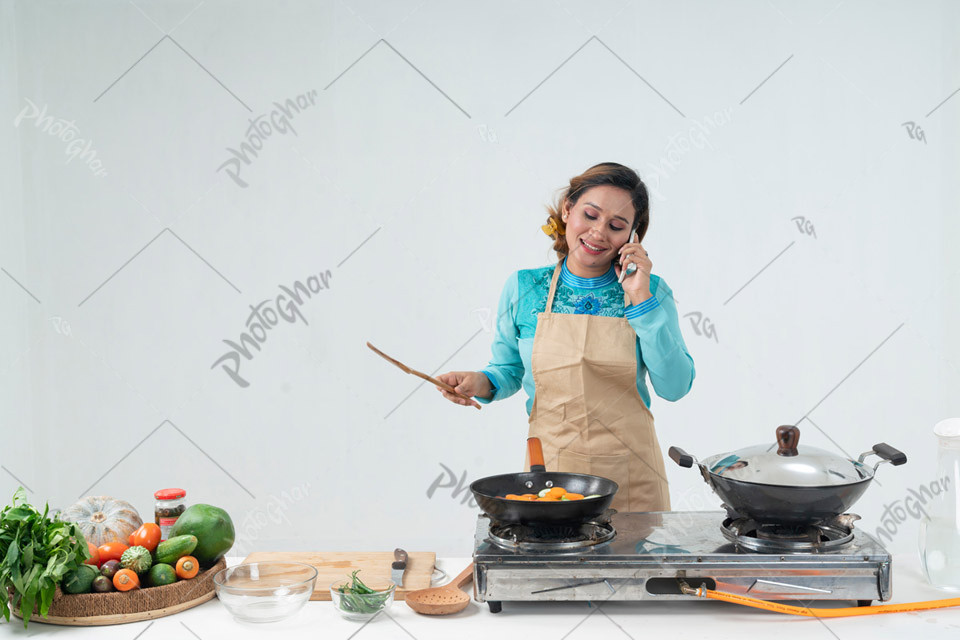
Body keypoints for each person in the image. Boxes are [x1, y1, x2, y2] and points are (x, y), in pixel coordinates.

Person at [436, 162, 695, 512]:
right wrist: (477, 382)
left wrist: (641, 301)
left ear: (633, 238)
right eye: (590, 215)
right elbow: (508, 370)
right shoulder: (524, 288)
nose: (599, 232)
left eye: (616, 226)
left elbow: (675, 386)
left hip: (634, 478)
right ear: (567, 210)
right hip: (552, 477)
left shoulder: (651, 294)